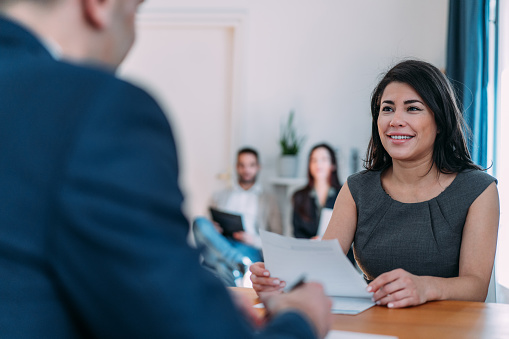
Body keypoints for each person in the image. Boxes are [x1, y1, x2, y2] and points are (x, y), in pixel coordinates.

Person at [0, 0, 332, 338]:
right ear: (100, 5)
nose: (132, 35)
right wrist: (301, 317)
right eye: (135, 12)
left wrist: (201, 306)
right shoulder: (97, 109)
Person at [250, 59, 499, 309]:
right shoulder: (356, 190)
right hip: (374, 324)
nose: (395, 120)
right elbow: (321, 272)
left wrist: (426, 287)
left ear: (440, 123)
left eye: (412, 108)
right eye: (387, 109)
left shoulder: (478, 190)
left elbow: (476, 286)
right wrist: (279, 283)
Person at [193, 148, 282, 285]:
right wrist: (213, 227)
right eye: (242, 165)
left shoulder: (268, 200)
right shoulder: (220, 195)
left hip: (248, 248)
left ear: (258, 167)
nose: (246, 170)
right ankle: (239, 263)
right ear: (236, 167)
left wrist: (253, 240)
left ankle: (236, 264)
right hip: (222, 241)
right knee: (199, 222)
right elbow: (206, 226)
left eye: (251, 165)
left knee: (220, 266)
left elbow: (277, 237)